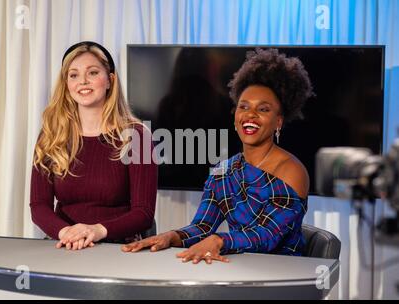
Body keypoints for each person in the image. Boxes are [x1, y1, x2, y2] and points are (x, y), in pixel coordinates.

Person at [122, 48, 313, 263]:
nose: (250, 114)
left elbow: (267, 237)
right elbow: (202, 226)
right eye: (244, 106)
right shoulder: (223, 172)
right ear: (235, 117)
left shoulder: (293, 171)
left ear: (279, 121)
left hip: (287, 275)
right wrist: (172, 236)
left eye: (264, 109)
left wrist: (219, 241)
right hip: (237, 268)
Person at [30, 41, 157, 250]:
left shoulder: (137, 136)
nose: (83, 82)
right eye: (74, 75)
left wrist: (96, 231)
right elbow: (39, 206)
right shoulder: (51, 136)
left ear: (110, 81)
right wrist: (67, 233)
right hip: (66, 244)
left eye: (93, 73)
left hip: (117, 247)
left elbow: (143, 213)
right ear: (66, 84)